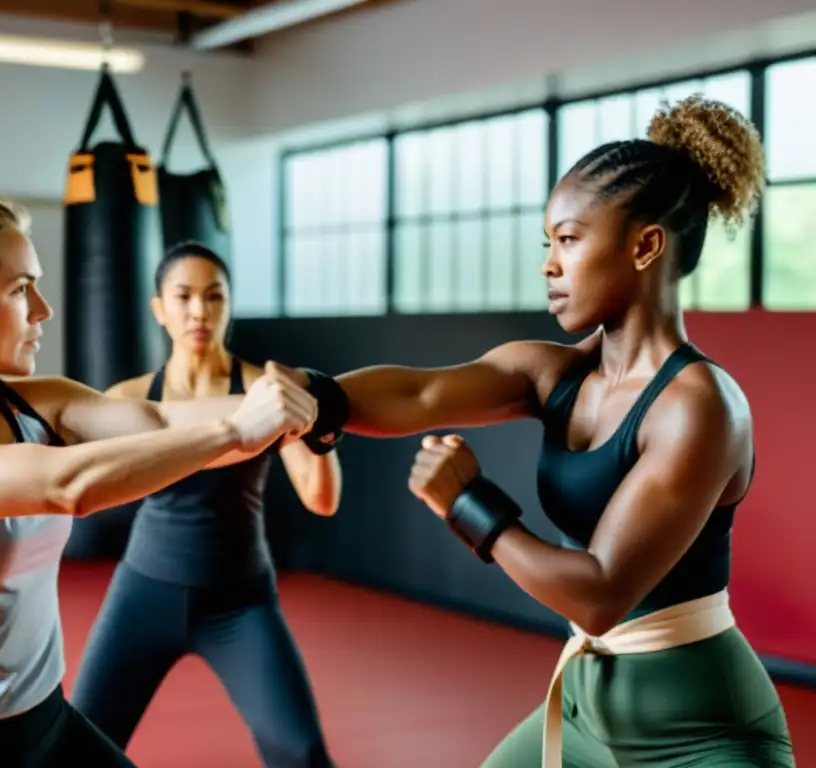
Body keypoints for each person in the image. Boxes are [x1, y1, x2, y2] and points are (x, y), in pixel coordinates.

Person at [322, 96, 796, 766]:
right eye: (548, 243)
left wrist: (467, 502)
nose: (550, 264)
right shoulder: (552, 374)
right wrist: (314, 402)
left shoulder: (700, 407)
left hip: (700, 736)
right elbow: (418, 391)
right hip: (584, 713)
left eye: (569, 240)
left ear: (644, 245)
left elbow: (600, 594)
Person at [0, 190, 338, 768]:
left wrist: (320, 398)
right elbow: (68, 486)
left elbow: (159, 418)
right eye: (20, 290)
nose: (42, 309)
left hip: (46, 729)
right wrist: (238, 432)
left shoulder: (41, 406)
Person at [70, 243, 341, 768]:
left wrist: (322, 426)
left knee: (301, 752)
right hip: (143, 594)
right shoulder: (130, 396)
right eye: (185, 296)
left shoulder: (265, 391)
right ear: (159, 309)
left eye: (214, 296)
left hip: (239, 601)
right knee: (79, 748)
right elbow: (86, 486)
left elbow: (322, 499)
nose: (200, 311)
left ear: (228, 305)